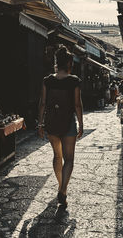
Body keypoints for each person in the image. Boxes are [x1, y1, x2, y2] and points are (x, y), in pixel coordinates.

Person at [38, 45, 83, 208]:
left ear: (57, 62)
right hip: (68, 123)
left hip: (51, 123)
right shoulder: (74, 81)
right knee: (69, 159)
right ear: (70, 63)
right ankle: (63, 190)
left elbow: (42, 103)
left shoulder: (47, 80)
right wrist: (81, 124)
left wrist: (40, 123)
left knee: (57, 156)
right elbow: (77, 105)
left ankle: (60, 187)